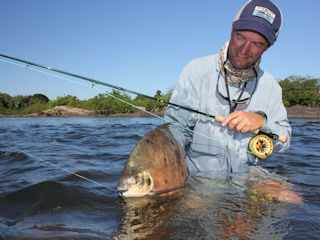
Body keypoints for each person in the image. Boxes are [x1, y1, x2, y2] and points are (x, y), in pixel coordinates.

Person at [165, 0, 291, 175]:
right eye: (240, 37)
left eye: (256, 44)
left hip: (248, 178)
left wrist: (263, 122)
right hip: (199, 179)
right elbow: (174, 130)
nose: (244, 50)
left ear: (269, 46)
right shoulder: (196, 70)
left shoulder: (271, 87)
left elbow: (285, 142)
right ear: (232, 29)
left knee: (294, 198)